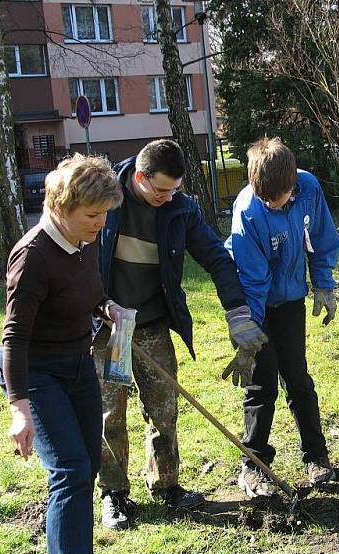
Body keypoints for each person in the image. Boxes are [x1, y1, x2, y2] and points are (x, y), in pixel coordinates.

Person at [94, 139, 267, 529]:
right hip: (111, 326)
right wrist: (97, 307)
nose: (167, 197)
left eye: (174, 190)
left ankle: (167, 485)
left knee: (163, 408)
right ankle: (115, 496)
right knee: (111, 413)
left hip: (152, 321)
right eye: (159, 190)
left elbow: (216, 258)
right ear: (139, 178)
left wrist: (237, 312)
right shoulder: (104, 196)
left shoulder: (179, 210)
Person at [1, 154, 124, 554]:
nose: (100, 224)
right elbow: (13, 337)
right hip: (36, 373)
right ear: (61, 207)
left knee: (87, 462)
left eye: (104, 214)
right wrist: (20, 410)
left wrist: (105, 307)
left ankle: (73, 552)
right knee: (69, 470)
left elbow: (85, 291)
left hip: (77, 364)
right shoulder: (32, 256)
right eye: (92, 215)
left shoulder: (84, 240)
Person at [224, 137, 339, 497]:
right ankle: (253, 466)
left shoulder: (308, 187)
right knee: (262, 384)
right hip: (255, 305)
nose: (271, 203)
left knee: (298, 377)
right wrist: (249, 336)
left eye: (278, 197)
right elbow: (253, 280)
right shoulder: (249, 212)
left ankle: (316, 456)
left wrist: (323, 284)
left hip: (290, 301)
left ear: (292, 183)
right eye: (265, 198)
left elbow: (322, 237)